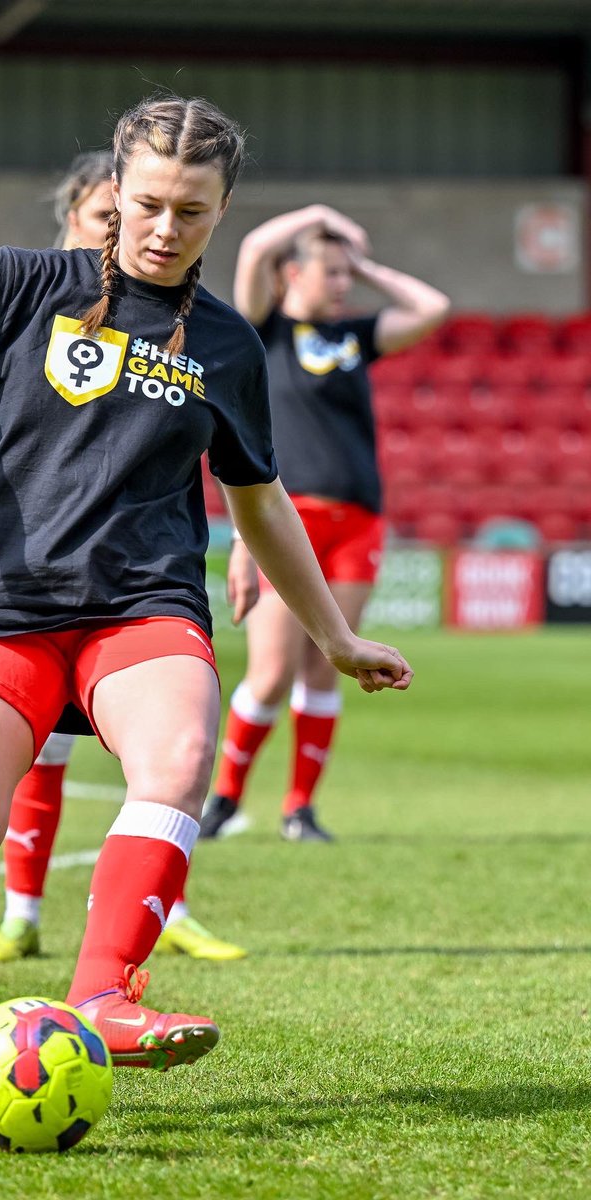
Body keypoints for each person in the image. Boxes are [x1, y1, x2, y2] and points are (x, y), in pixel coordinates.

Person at [0, 97, 413, 1119]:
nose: (167, 228)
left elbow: (258, 501)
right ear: (115, 194)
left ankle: (103, 995)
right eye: (152, 204)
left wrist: (333, 636)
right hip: (2, 605)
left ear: (222, 213)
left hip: (143, 605)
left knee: (174, 760)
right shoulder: (21, 287)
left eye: (194, 212)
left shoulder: (226, 344)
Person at [0, 149, 249, 966]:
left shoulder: (191, 331)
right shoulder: (37, 309)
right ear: (76, 225)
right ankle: (23, 912)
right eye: (110, 219)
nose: (141, 235)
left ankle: (161, 914)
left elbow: (233, 459)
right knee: (44, 752)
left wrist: (246, 538)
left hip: (140, 586)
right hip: (33, 580)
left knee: (172, 756)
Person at [200, 204, 447, 844]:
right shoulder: (264, 331)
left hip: (359, 520)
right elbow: (254, 247)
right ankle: (224, 799)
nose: (341, 285)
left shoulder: (354, 336)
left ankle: (300, 810)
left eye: (346, 275)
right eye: (329, 272)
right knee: (273, 672)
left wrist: (364, 265)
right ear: (291, 274)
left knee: (324, 669)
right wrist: (318, 215)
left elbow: (432, 308)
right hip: (291, 521)